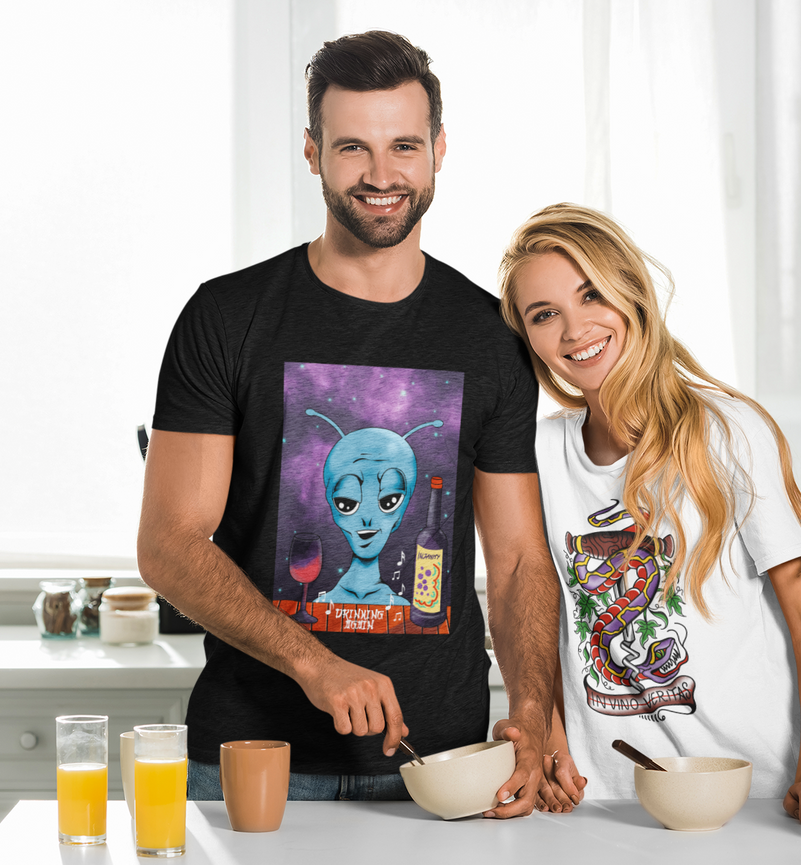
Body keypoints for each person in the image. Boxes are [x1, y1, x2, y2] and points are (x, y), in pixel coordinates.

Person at [138, 31, 558, 816]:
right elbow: (168, 544)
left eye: (403, 145)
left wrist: (536, 708)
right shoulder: (226, 318)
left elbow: (517, 561)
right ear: (312, 152)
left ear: (438, 149)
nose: (381, 174)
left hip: (443, 767)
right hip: (250, 760)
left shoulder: (488, 338)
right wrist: (315, 663)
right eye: (352, 148)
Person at [495, 203, 801, 824]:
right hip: (605, 801)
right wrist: (549, 732)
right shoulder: (539, 454)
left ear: (633, 295)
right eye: (545, 315)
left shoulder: (728, 433)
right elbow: (534, 611)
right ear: (527, 340)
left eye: (592, 296)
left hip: (752, 797)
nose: (575, 330)